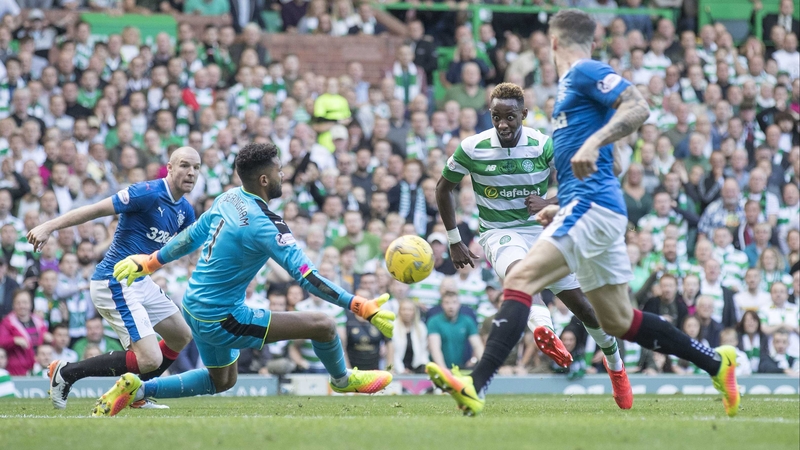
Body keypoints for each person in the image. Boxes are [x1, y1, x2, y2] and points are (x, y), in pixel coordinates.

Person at [425, 10, 740, 417]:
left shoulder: (583, 72)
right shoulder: (568, 93)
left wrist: (595, 144)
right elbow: (616, 165)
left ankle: (475, 385)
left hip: (590, 210)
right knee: (619, 320)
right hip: (590, 208)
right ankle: (717, 363)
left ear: (554, 43)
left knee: (520, 279)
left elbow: (638, 108)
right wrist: (562, 197)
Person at [92, 143, 394, 417]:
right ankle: (342, 380)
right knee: (324, 326)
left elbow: (192, 236)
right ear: (264, 180)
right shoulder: (265, 225)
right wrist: (359, 305)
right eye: (279, 170)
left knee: (222, 380)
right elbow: (308, 279)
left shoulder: (229, 197)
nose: (284, 174)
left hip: (194, 307)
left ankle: (139, 389)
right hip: (222, 318)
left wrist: (151, 261)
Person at [435, 81, 632, 409]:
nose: (503, 125)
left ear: (524, 114)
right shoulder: (471, 148)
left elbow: (585, 178)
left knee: (584, 308)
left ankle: (616, 368)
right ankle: (544, 329)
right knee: (519, 273)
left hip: (543, 230)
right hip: (498, 232)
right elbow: (443, 189)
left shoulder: (543, 145)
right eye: (496, 117)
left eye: (510, 117)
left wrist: (549, 200)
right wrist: (454, 240)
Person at [27, 147, 201, 410]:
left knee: (181, 335)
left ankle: (135, 393)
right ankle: (67, 373)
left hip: (141, 281)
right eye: (185, 165)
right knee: (150, 359)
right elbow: (95, 209)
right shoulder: (146, 192)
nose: (191, 172)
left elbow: (190, 246)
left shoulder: (185, 210)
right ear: (170, 167)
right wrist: (49, 225)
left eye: (196, 167)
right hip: (114, 281)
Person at [0, 289, 49, 375]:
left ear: (30, 304)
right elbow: (1, 340)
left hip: (37, 367)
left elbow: (44, 337)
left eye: (25, 302)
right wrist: (14, 340)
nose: (22, 306)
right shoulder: (7, 322)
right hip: (17, 369)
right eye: (18, 303)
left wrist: (47, 336)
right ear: (13, 305)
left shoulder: (38, 321)